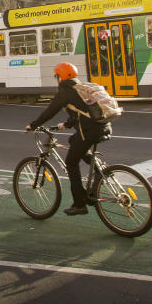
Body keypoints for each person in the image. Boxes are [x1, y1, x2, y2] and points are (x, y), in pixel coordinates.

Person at [25, 62, 111, 216]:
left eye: (56, 76)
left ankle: (79, 204)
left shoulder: (65, 91)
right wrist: (66, 124)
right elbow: (82, 111)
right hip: (103, 126)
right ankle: (98, 170)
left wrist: (33, 125)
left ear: (60, 77)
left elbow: (50, 111)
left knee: (71, 162)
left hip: (89, 131)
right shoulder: (80, 87)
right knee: (73, 142)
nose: (56, 79)